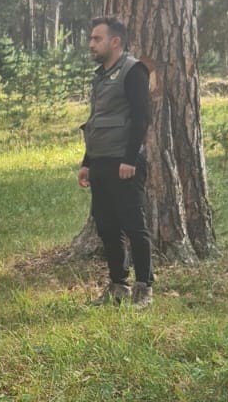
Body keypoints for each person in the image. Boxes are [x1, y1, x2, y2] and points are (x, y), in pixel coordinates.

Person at [78, 16, 153, 308]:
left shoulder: (134, 71)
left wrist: (130, 158)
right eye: (91, 38)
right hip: (100, 162)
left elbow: (141, 117)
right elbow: (95, 121)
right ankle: (118, 284)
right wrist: (87, 162)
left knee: (134, 225)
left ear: (115, 41)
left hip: (124, 163)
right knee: (107, 226)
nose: (91, 44)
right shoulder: (100, 76)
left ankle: (144, 287)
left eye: (97, 38)